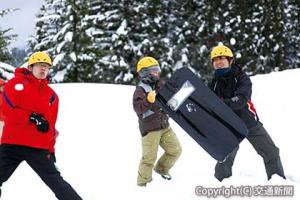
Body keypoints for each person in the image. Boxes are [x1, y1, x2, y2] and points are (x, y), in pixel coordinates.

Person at [0, 52, 82, 199]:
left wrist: (51, 149)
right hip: (12, 143)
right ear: (30, 67)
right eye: (39, 65)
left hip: (37, 146)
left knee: (57, 183)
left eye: (46, 67)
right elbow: (7, 109)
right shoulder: (15, 84)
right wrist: (31, 117)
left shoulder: (51, 96)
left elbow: (51, 125)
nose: (43, 69)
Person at [209, 44, 285, 182]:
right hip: (228, 125)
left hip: (248, 121)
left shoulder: (242, 78)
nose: (218, 62)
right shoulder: (213, 84)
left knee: (271, 152)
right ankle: (219, 186)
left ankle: (278, 182)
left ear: (230, 60)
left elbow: (241, 100)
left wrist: (221, 104)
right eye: (215, 60)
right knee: (224, 156)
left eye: (222, 58)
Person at [133, 56, 182, 187]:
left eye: (157, 69)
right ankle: (142, 182)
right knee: (149, 158)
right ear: (145, 72)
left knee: (175, 150)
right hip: (150, 130)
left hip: (164, 126)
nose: (157, 72)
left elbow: (169, 96)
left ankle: (161, 169)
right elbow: (138, 108)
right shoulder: (141, 90)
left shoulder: (160, 84)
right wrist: (148, 100)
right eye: (154, 70)